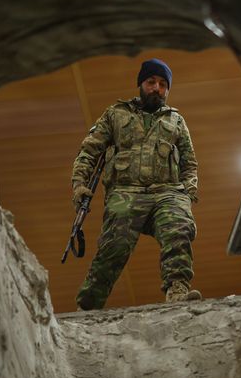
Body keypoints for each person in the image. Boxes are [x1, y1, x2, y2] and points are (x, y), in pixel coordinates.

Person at [71, 58, 202, 310]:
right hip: (125, 191)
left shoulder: (176, 121)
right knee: (114, 245)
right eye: (151, 82)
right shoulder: (116, 114)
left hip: (167, 192)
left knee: (179, 227)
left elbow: (189, 161)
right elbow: (89, 151)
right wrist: (79, 184)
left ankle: (177, 290)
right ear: (141, 84)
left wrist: (187, 191)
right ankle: (89, 304)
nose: (157, 88)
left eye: (163, 84)